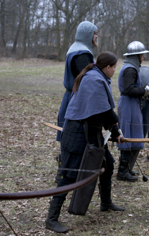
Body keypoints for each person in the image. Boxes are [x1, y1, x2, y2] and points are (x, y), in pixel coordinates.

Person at [45, 52, 124, 233]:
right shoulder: (94, 80)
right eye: (114, 67)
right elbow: (105, 112)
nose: (114, 70)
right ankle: (51, 218)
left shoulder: (97, 76)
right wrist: (115, 124)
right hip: (77, 134)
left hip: (91, 132)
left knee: (107, 164)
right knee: (68, 176)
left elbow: (98, 111)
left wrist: (114, 131)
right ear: (107, 67)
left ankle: (105, 202)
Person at [54, 21, 98, 183]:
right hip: (76, 99)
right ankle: (65, 172)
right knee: (72, 136)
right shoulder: (81, 53)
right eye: (94, 33)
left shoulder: (76, 48)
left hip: (73, 97)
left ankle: (67, 170)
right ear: (87, 34)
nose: (96, 36)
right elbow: (87, 81)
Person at [116, 41, 149, 181]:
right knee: (128, 136)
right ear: (136, 56)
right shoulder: (130, 69)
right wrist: (145, 91)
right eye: (142, 55)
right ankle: (122, 172)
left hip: (131, 104)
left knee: (134, 135)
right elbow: (129, 89)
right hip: (128, 104)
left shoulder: (131, 67)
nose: (143, 57)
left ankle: (128, 168)